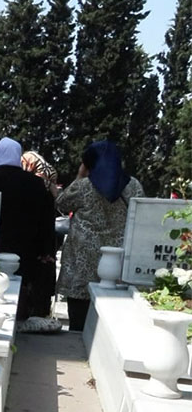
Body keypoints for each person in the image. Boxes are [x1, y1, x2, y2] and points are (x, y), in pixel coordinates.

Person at [56, 140, 144, 332]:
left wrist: (80, 176)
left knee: (78, 325)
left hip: (81, 266)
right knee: (111, 327)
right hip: (117, 265)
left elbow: (61, 204)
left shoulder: (84, 186)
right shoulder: (133, 185)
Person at [0, 137, 60, 333]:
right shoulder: (35, 184)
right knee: (17, 292)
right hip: (25, 250)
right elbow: (47, 219)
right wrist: (46, 249)